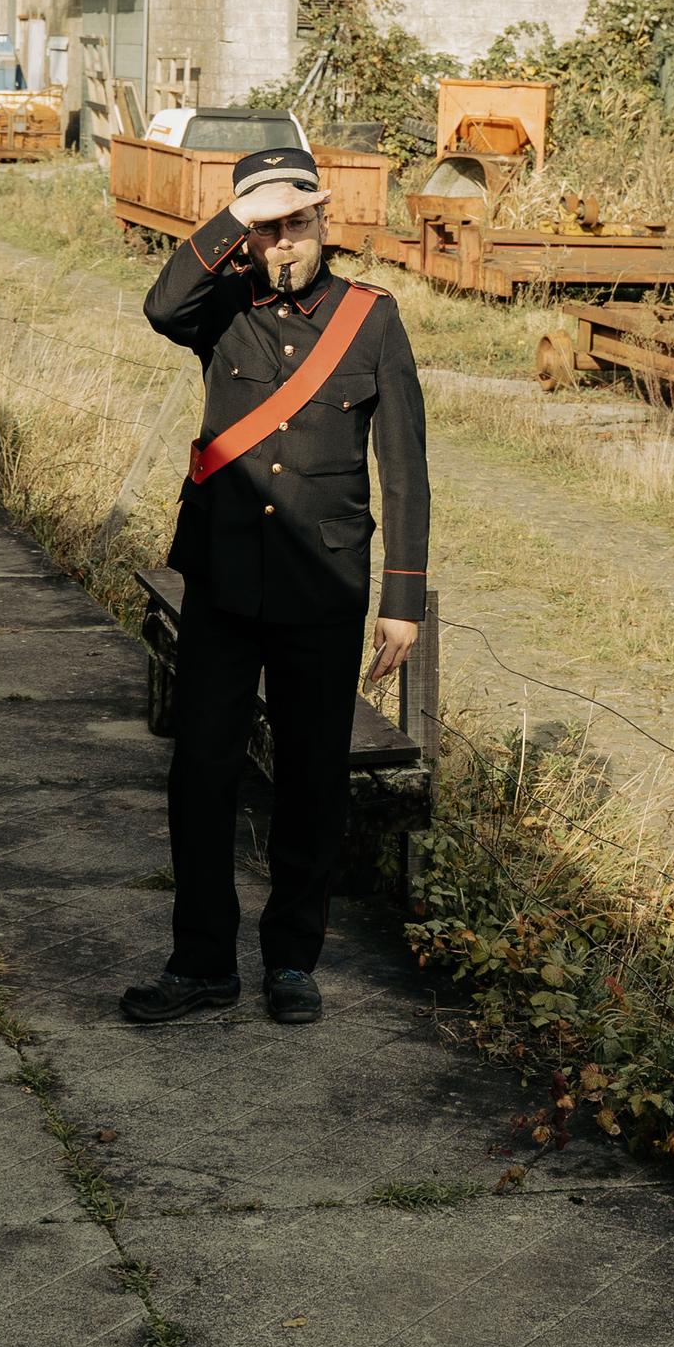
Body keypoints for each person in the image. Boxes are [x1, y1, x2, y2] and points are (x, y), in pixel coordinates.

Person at [123, 150, 427, 1027]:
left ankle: (292, 961)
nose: (285, 242)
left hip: (323, 584)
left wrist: (401, 599)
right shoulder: (222, 307)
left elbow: (404, 467)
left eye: (298, 223)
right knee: (202, 775)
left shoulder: (372, 319)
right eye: (269, 228)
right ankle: (202, 962)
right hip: (223, 580)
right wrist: (235, 220)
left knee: (310, 780)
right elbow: (159, 304)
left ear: (325, 223)